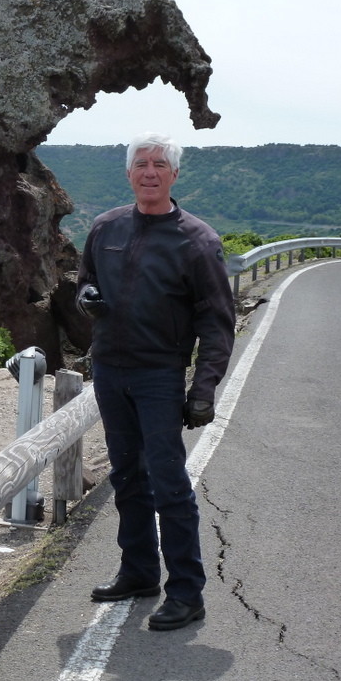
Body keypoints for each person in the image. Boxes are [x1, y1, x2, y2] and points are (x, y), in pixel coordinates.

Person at [76, 131, 235, 631]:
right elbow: (85, 281)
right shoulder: (105, 228)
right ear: (128, 173)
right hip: (109, 370)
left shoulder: (197, 240)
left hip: (159, 375)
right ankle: (139, 571)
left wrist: (203, 389)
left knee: (169, 486)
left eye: (159, 164)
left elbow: (216, 322)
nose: (149, 171)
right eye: (141, 163)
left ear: (174, 175)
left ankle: (187, 592)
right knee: (126, 478)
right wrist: (87, 298)